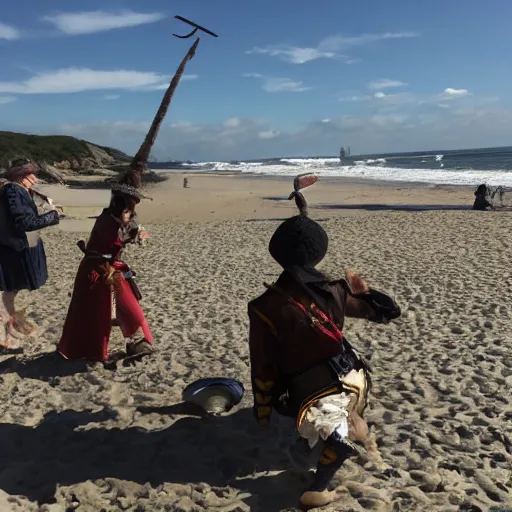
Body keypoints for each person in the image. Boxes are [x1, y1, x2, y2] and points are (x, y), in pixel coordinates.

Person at [247, 175, 401, 509]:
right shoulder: (334, 290)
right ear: (318, 253)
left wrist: (262, 412)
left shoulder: (263, 307)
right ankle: (348, 435)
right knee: (348, 413)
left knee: (324, 419)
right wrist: (366, 290)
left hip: (306, 391)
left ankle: (326, 468)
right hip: (353, 379)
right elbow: (388, 313)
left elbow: (263, 366)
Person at [57, 173, 154, 365]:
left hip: (113, 270)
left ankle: (133, 342)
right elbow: (115, 241)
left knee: (130, 309)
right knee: (96, 315)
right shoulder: (106, 222)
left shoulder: (118, 220)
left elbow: (128, 232)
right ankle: (94, 351)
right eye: (128, 209)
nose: (131, 213)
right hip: (97, 272)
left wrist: (137, 234)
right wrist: (132, 234)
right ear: (120, 207)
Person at [0, 158, 62, 353]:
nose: (35, 179)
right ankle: (8, 338)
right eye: (31, 175)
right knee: (11, 293)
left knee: (12, 293)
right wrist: (53, 215)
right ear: (21, 176)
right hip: (17, 251)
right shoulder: (13, 190)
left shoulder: (17, 190)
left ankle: (9, 337)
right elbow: (25, 222)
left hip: (18, 248)